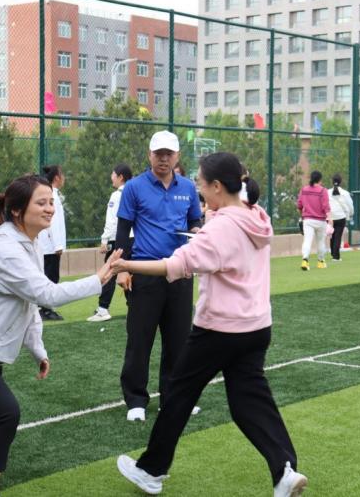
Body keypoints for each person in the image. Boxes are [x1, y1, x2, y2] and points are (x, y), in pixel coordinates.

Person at [114, 152, 307, 497]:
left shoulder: (220, 228)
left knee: (178, 394)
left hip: (220, 329)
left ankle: (151, 470)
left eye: (201, 184)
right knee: (250, 402)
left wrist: (126, 265)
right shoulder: (257, 216)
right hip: (257, 326)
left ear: (217, 186)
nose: (198, 190)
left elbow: (176, 265)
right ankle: (284, 470)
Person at [0, 174, 121, 497]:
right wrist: (98, 279)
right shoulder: (6, 248)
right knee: (4, 412)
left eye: (51, 202)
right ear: (17, 210)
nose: (49, 209)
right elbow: (47, 295)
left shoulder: (29, 243)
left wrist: (37, 350)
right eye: (41, 203)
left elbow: (28, 304)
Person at [116, 130, 202, 422]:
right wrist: (121, 269)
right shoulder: (134, 188)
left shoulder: (188, 187)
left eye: (169, 154)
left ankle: (173, 398)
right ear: (149, 155)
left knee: (178, 341)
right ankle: (135, 400)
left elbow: (194, 221)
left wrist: (198, 233)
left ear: (177, 156)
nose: (163, 159)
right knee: (139, 340)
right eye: (158, 153)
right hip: (145, 271)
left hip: (180, 272)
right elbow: (123, 231)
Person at [88, 163, 133, 323]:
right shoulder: (134, 193)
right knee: (129, 272)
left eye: (113, 174)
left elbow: (113, 221)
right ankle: (134, 307)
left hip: (117, 240)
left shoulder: (117, 195)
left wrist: (104, 240)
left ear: (120, 177)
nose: (111, 177)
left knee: (109, 273)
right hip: (133, 239)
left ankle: (103, 309)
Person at [37, 165, 66, 321]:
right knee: (51, 277)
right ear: (57, 178)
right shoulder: (52, 195)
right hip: (50, 247)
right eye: (62, 175)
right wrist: (57, 245)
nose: (64, 178)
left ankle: (44, 308)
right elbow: (53, 222)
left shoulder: (52, 194)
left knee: (49, 276)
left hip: (49, 245)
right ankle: (46, 309)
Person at [297, 171, 330, 271]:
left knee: (307, 240)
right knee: (320, 242)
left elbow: (299, 205)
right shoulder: (323, 191)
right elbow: (326, 207)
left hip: (308, 220)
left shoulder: (304, 190)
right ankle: (320, 261)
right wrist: (330, 219)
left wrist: (302, 215)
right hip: (321, 221)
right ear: (320, 180)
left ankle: (305, 260)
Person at [328, 173, 353, 261]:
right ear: (340, 182)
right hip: (341, 217)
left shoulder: (327, 192)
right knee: (338, 236)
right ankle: (336, 256)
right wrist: (350, 213)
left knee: (332, 236)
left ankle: (333, 253)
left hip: (330, 217)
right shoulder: (345, 193)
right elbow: (350, 205)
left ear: (332, 181)